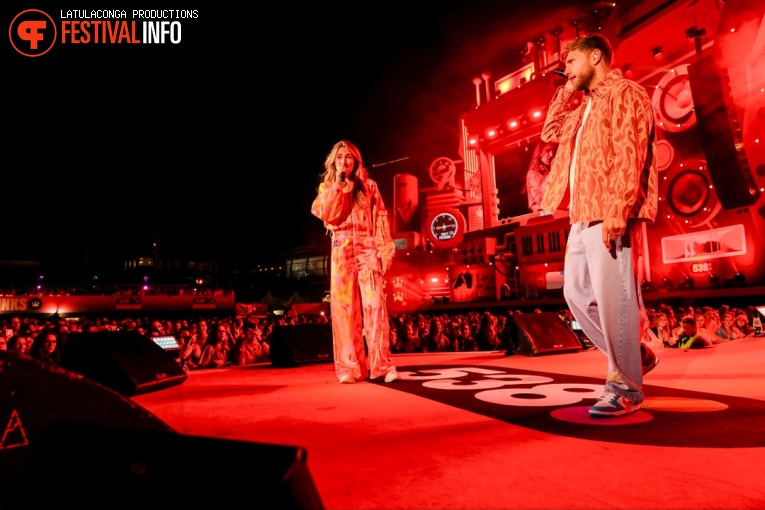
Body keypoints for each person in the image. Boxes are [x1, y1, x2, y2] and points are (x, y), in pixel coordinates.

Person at [540, 33, 659, 417]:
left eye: (571, 61)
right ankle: (634, 355)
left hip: (609, 209)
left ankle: (624, 387)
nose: (566, 68)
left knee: (614, 300)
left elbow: (630, 148)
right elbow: (549, 131)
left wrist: (618, 206)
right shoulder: (584, 106)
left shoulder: (626, 92)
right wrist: (566, 87)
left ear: (596, 56)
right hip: (581, 212)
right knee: (575, 295)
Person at [310, 140, 399, 384]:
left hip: (367, 246)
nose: (344, 162)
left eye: (349, 157)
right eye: (340, 158)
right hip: (341, 247)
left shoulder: (369, 186)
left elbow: (380, 217)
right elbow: (325, 213)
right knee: (344, 310)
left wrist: (385, 249)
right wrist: (338, 186)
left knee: (375, 306)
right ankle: (349, 368)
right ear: (333, 161)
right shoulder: (327, 186)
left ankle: (382, 365)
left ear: (356, 161)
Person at [524, 140, 557, 212]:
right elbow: (542, 199)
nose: (551, 154)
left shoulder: (549, 171)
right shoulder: (532, 175)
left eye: (552, 150)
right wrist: (552, 173)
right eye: (548, 151)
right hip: (542, 217)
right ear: (540, 152)